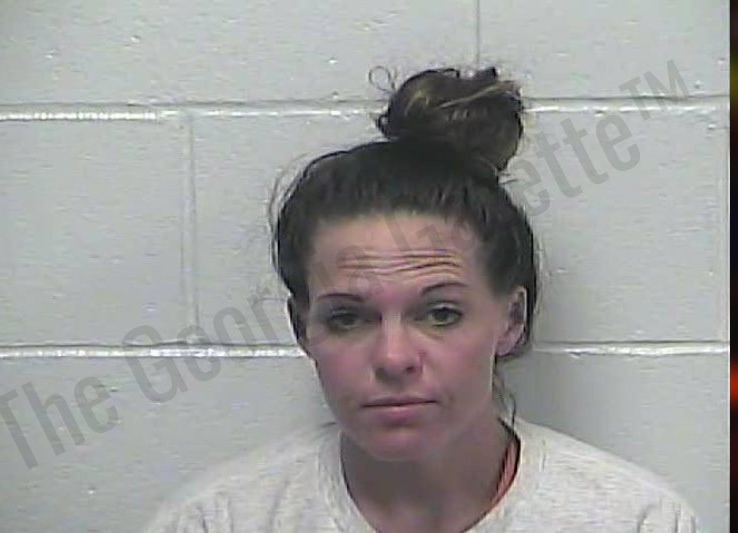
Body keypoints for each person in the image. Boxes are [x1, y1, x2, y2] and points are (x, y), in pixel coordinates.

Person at [145, 65, 700, 533]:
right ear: (302, 328)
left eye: (440, 314)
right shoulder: (217, 521)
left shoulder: (636, 520)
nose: (393, 358)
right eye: (347, 318)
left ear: (510, 319)